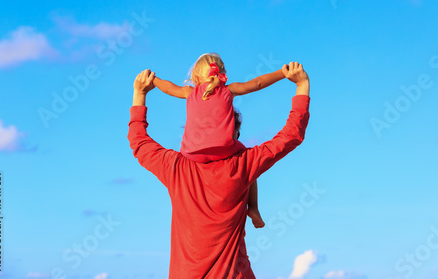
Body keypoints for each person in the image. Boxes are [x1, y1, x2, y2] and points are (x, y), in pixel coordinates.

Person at [128, 62, 310, 278]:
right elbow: (290, 136)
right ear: (229, 132)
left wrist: (140, 94)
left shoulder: (175, 168)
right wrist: (302, 86)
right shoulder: (244, 164)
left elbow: (138, 141)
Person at [151, 53, 286, 228]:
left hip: (192, 153)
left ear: (196, 76)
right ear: (222, 73)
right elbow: (257, 83)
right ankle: (253, 207)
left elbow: (168, 88)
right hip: (224, 150)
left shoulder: (188, 92)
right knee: (250, 164)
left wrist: (153, 80)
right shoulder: (229, 90)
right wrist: (283, 73)